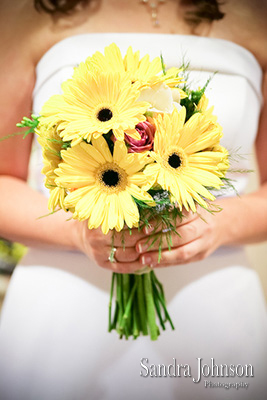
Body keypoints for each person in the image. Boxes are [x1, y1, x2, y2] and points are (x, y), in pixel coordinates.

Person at [0, 0, 266, 399]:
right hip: (62, 304)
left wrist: (222, 222)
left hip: (213, 302)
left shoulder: (257, 13)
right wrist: (77, 231)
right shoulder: (27, 13)